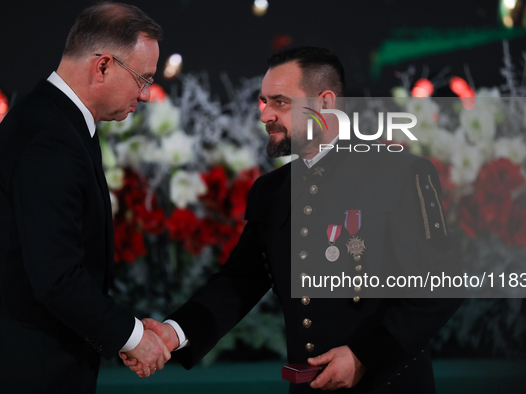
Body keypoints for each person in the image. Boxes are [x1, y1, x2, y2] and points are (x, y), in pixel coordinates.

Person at [124, 46, 463, 393]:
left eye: (280, 102)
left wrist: (364, 357)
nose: (265, 115)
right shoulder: (270, 192)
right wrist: (176, 332)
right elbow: (239, 282)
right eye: (263, 101)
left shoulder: (401, 173)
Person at [0, 3, 171, 392]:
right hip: (33, 370)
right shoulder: (51, 136)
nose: (145, 95)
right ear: (103, 66)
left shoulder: (53, 118)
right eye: (142, 79)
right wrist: (132, 337)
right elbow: (56, 276)